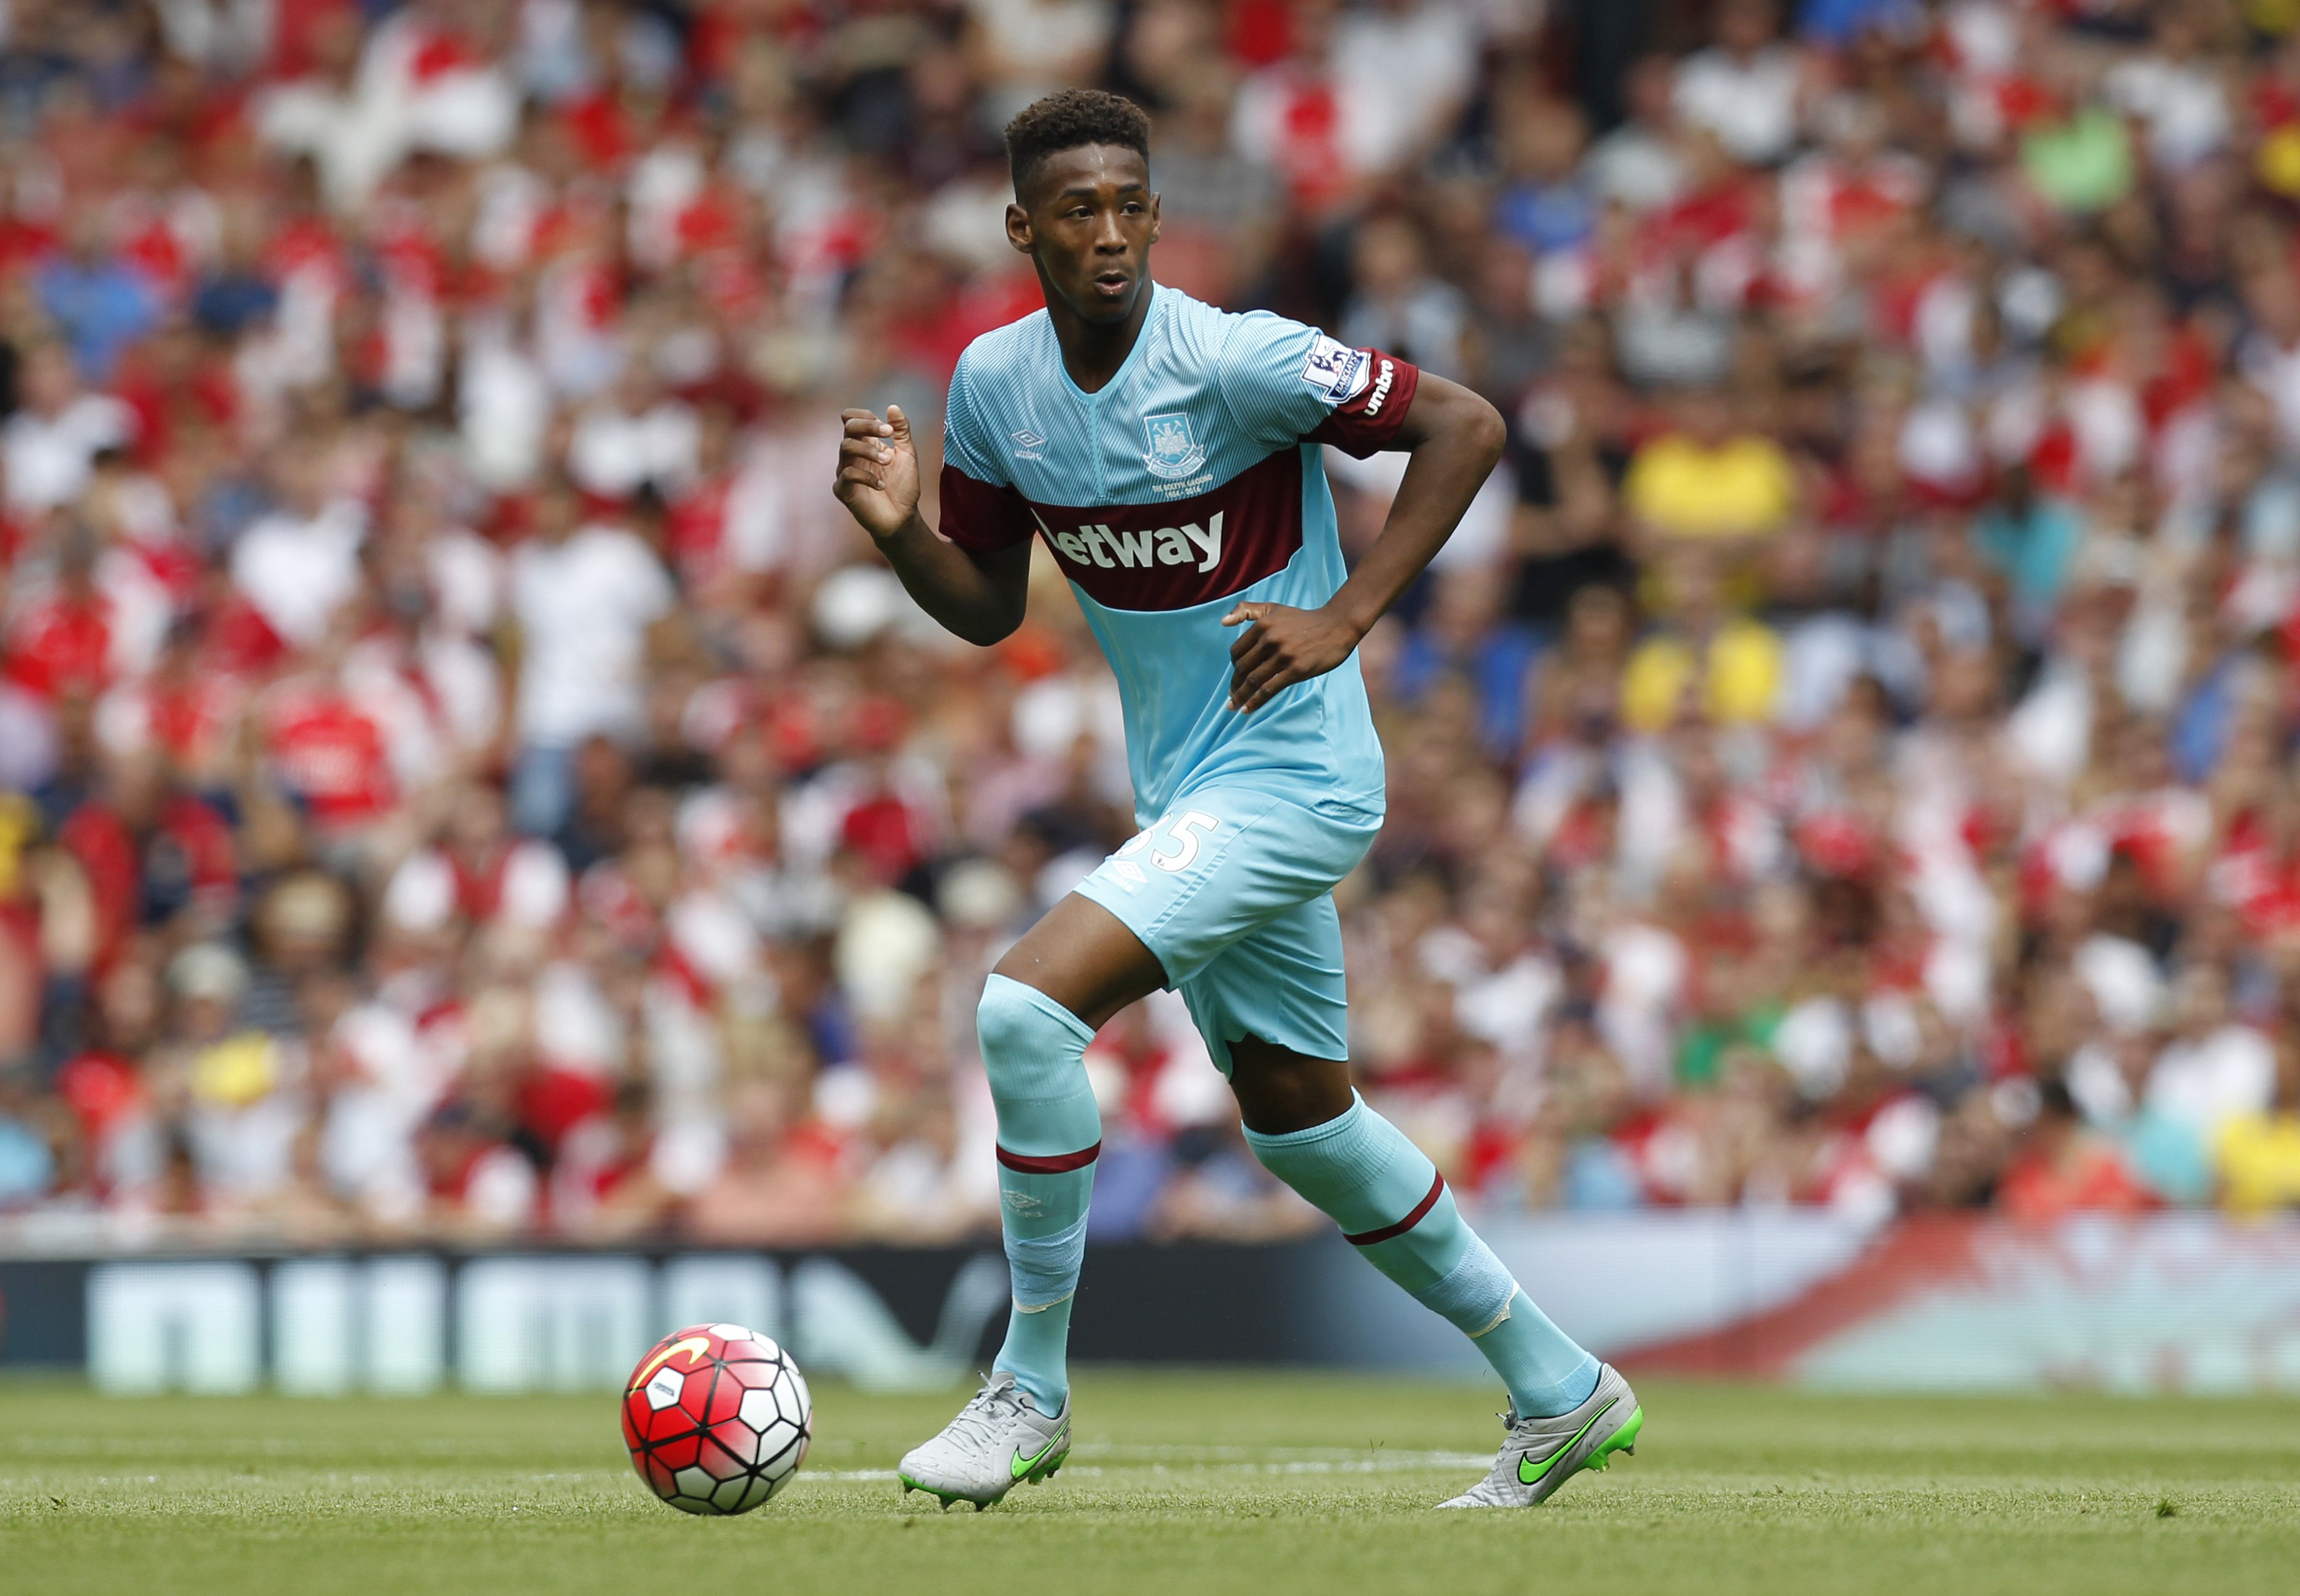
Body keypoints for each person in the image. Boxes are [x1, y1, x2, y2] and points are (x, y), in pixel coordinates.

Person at [833, 89, 1641, 1513]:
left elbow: (1465, 424)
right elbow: (983, 606)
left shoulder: (1237, 358)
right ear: (1023, 226)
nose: (1112, 234)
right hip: (1190, 791)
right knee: (1300, 1124)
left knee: (1024, 1011)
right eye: (1077, 209)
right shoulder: (996, 387)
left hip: (1298, 775)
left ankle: (1028, 1389)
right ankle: (1563, 1387)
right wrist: (903, 530)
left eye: (1132, 205)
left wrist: (1347, 617)